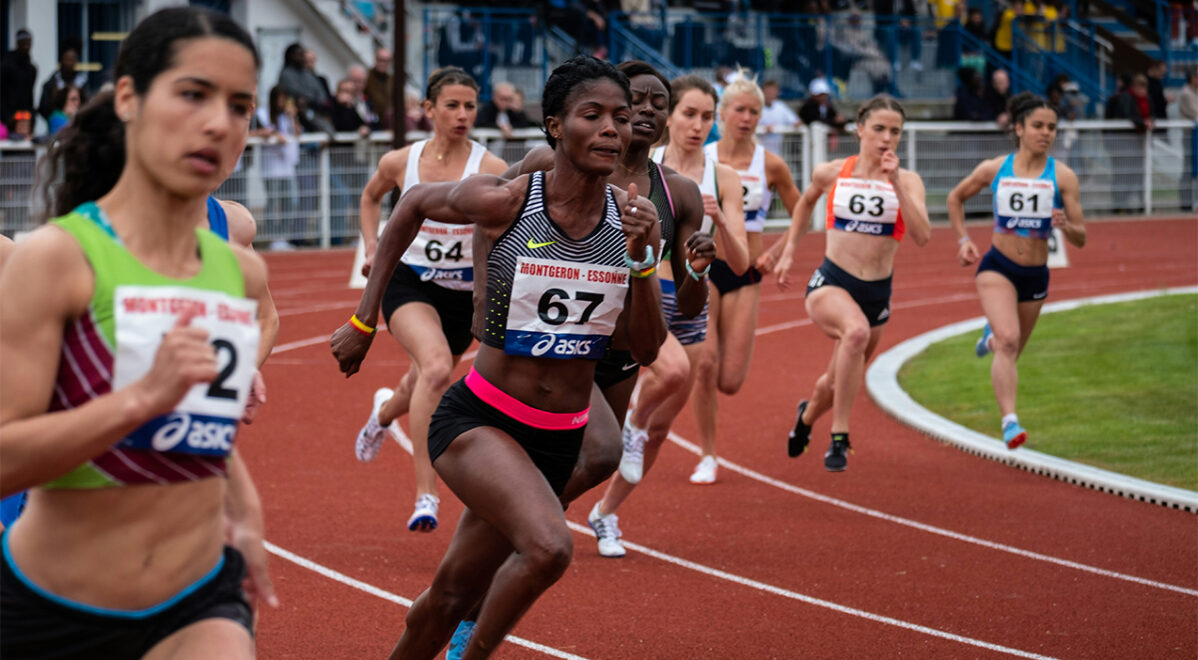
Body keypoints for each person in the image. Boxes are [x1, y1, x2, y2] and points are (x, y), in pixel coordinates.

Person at [331, 55, 666, 659]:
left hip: (559, 435)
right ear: (555, 126)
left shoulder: (634, 222)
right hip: (481, 419)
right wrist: (364, 318)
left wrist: (644, 261)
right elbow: (409, 206)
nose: (614, 128)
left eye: (622, 116)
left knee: (449, 596)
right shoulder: (510, 201)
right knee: (548, 547)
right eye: (593, 115)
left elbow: (644, 349)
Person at [0, 8, 275, 658]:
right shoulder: (56, 260)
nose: (219, 122)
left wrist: (248, 512)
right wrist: (138, 399)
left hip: (199, 598)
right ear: (128, 97)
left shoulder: (237, 270)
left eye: (240, 106)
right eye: (193, 94)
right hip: (53, 612)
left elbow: (193, 425)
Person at [442, 63, 713, 656]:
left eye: (653, 103)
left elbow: (689, 306)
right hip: (566, 358)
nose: (642, 112)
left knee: (595, 459)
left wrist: (695, 265)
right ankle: (509, 544)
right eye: (629, 101)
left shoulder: (678, 195)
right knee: (602, 449)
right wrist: (485, 298)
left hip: (622, 357)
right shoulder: (556, 164)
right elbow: (498, 220)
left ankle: (506, 530)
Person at [588, 73, 747, 547]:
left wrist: (718, 221)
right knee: (671, 372)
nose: (697, 125)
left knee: (659, 429)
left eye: (707, 117)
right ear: (669, 117)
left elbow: (740, 263)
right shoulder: (641, 162)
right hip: (648, 296)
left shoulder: (724, 177)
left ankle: (605, 513)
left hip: (693, 300)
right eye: (689, 114)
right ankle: (628, 426)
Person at [353, 67, 508, 533]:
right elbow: (370, 197)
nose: (463, 115)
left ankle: (383, 413)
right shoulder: (402, 161)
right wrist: (371, 247)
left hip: (464, 295)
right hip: (411, 283)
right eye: (452, 106)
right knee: (438, 367)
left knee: (420, 380)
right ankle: (426, 494)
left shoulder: (491, 169)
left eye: (470, 106)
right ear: (429, 109)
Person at [776, 95, 931, 471]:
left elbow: (923, 235)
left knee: (833, 383)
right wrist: (788, 250)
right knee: (856, 333)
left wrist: (894, 182)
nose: (886, 139)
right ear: (860, 129)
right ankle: (840, 437)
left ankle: (807, 417)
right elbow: (805, 201)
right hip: (831, 281)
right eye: (879, 129)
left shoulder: (908, 181)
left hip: (876, 292)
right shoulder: (833, 172)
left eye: (895, 132)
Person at [946, 92, 1086, 449]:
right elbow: (955, 197)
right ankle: (1010, 422)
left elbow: (1082, 236)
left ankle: (988, 340)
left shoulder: (1063, 176)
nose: (1046, 133)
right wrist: (963, 240)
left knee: (1010, 349)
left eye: (1052, 127)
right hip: (998, 267)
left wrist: (1066, 227)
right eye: (1038, 126)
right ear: (1019, 128)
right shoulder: (996, 169)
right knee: (1009, 341)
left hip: (1036, 276)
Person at [692, 71, 801, 482]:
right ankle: (707, 454)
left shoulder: (769, 163)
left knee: (731, 380)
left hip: (748, 270)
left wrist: (779, 250)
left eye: (754, 111)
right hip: (705, 268)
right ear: (721, 113)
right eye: (739, 109)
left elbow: (804, 211)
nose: (747, 117)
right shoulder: (704, 158)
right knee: (705, 365)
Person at [252, 86, 301, 241]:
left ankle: (283, 235)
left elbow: (298, 133)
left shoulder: (286, 116)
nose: (281, 102)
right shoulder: (263, 113)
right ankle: (273, 237)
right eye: (279, 99)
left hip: (287, 166)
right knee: (273, 201)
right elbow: (260, 131)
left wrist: (293, 117)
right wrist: (274, 135)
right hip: (270, 167)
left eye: (284, 99)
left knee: (290, 201)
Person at [38, 39, 89, 123]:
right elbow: (43, 107)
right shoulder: (52, 82)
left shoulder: (82, 81)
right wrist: (55, 116)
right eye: (67, 59)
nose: (70, 62)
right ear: (61, 60)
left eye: (73, 59)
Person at [1, 29, 36, 134]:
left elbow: (30, 95)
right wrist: (6, 117)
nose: (27, 45)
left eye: (29, 42)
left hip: (25, 118)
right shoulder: (5, 64)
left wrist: (31, 116)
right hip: (7, 117)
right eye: (24, 42)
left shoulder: (31, 68)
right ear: (17, 43)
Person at [757, 78, 801, 156]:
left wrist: (797, 124)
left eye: (773, 91)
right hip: (758, 152)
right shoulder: (757, 107)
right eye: (768, 91)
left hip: (777, 153)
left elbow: (796, 121)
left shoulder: (781, 106)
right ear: (762, 92)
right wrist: (764, 128)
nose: (770, 93)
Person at [364, 48, 393, 129]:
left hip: (388, 123)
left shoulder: (392, 80)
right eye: (380, 60)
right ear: (375, 60)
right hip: (371, 122)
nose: (382, 63)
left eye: (386, 61)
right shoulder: (367, 77)